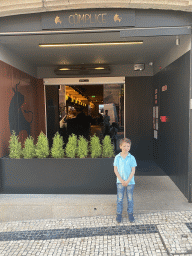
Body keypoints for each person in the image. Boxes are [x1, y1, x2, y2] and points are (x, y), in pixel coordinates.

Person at [113, 138, 137, 223]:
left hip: (130, 182)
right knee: (120, 198)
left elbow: (133, 170)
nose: (126, 148)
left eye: (128, 146)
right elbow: (115, 170)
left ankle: (130, 213)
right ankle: (119, 214)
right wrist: (121, 180)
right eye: (124, 146)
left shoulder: (132, 158)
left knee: (130, 198)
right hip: (120, 182)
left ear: (130, 147)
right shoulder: (117, 157)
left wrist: (127, 181)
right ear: (120, 146)